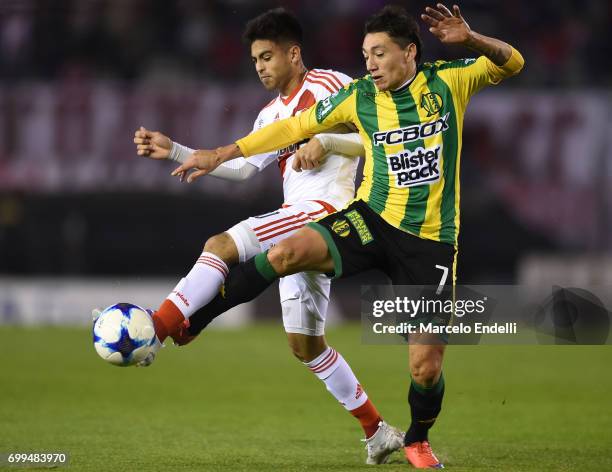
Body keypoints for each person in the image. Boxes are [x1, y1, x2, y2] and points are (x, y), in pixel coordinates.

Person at [161, 4, 525, 468]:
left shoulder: (448, 81)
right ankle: (196, 320)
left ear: (409, 52)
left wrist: (471, 39)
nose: (369, 63)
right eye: (365, 53)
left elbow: (513, 62)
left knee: (425, 367)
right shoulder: (358, 96)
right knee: (287, 251)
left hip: (430, 242)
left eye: (378, 53)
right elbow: (291, 128)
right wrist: (217, 154)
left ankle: (416, 438)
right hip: (371, 220)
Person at [132, 7, 404, 465]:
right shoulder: (271, 115)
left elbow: (379, 138)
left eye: (266, 56)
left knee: (221, 244)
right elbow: (242, 168)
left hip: (327, 209)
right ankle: (377, 431)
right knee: (306, 347)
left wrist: (329, 141)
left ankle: (155, 330)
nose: (259, 67)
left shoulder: (333, 86)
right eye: (255, 59)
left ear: (293, 54)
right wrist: (177, 150)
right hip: (297, 217)